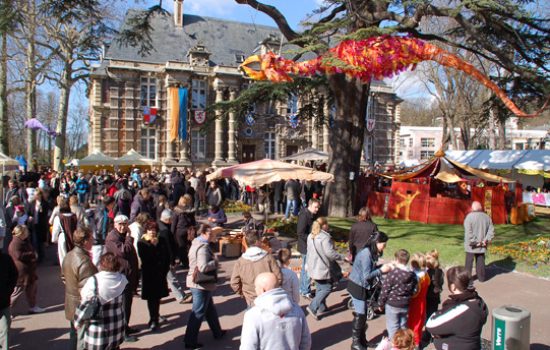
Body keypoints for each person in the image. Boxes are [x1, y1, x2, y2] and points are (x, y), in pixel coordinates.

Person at [240, 272, 311, 350]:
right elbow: (305, 341)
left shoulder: (252, 315)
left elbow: (248, 347)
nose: (255, 289)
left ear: (263, 290)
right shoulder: (296, 309)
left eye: (256, 287)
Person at [347, 231, 393, 350]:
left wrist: (381, 267)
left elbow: (369, 269)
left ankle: (362, 340)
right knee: (361, 314)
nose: (385, 246)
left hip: (362, 286)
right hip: (357, 286)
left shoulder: (370, 252)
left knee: (362, 314)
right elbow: (367, 275)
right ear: (377, 242)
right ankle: (355, 343)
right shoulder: (366, 254)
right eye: (384, 243)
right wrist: (382, 270)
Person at [426, 266, 489, 350]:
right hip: (473, 345)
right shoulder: (479, 302)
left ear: (453, 287)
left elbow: (431, 324)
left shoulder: (461, 308)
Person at [184, 224, 226, 349]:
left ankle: (217, 332)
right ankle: (190, 341)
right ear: (203, 233)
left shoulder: (196, 243)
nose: (213, 236)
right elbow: (203, 267)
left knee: (210, 310)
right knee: (198, 312)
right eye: (210, 234)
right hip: (200, 284)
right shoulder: (203, 247)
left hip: (199, 283)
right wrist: (215, 262)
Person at [75, 253, 128, 350]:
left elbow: (85, 303)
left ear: (101, 265)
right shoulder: (122, 279)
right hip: (116, 325)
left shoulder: (94, 281)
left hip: (99, 329)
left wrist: (77, 322)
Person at [104, 214, 139, 342]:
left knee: (127, 304)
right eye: (120, 224)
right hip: (120, 277)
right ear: (115, 224)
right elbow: (124, 251)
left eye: (125, 224)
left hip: (127, 275)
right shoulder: (112, 238)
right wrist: (130, 237)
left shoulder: (121, 236)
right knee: (123, 305)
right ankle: (122, 332)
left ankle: (126, 326)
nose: (123, 226)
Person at [62, 227, 98, 350]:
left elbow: (63, 277)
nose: (93, 240)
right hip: (81, 305)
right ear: (85, 241)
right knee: (82, 338)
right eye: (91, 238)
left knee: (74, 334)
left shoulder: (69, 255)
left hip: (71, 302)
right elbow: (88, 288)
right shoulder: (85, 261)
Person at [305, 217, 344, 320]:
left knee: (320, 287)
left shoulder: (311, 236)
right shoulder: (325, 237)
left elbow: (308, 251)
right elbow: (330, 253)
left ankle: (322, 307)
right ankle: (313, 307)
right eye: (327, 224)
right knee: (327, 288)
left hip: (313, 267)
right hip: (322, 267)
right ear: (324, 225)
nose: (328, 226)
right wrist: (342, 257)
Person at [230, 231, 282, 306]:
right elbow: (278, 277)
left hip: (251, 299)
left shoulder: (240, 262)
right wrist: (273, 290)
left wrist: (244, 294)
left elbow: (234, 283)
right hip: (269, 298)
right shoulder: (268, 258)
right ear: (257, 241)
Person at [137, 221, 170, 331]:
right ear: (146, 230)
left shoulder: (162, 240)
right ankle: (153, 319)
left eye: (154, 230)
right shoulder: (142, 242)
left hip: (160, 274)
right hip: (149, 275)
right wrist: (153, 246)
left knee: (157, 297)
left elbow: (166, 255)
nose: (152, 232)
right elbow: (145, 259)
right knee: (151, 298)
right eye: (150, 229)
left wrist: (166, 269)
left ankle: (156, 315)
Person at [378, 249, 417, 340]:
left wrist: (380, 303)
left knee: (393, 327)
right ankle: (404, 345)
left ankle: (395, 345)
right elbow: (414, 290)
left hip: (392, 304)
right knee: (403, 326)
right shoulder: (412, 275)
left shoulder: (393, 274)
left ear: (396, 260)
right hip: (405, 304)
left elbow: (385, 289)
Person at [8, 225, 45, 314]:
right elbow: (18, 255)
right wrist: (32, 254)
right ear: (21, 233)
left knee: (32, 290)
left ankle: (33, 307)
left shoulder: (24, 241)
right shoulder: (15, 243)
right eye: (26, 231)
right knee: (16, 292)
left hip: (29, 271)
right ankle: (7, 311)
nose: (28, 233)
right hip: (21, 272)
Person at [464, 201, 494, 283]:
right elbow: (491, 231)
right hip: (482, 244)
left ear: (473, 208)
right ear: (480, 208)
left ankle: (467, 280)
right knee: (480, 260)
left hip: (471, 245)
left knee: (469, 263)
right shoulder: (487, 217)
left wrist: (475, 241)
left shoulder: (469, 217)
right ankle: (481, 277)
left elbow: (468, 232)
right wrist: (486, 240)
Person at [297, 198, 320, 299]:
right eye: (315, 207)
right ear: (310, 205)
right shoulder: (304, 215)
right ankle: (305, 290)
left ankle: (303, 289)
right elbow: (300, 232)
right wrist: (311, 238)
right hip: (306, 246)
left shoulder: (308, 215)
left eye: (318, 207)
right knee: (307, 268)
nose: (317, 209)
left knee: (305, 268)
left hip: (306, 245)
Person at [407, 253, 431, 347]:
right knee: (419, 323)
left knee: (413, 323)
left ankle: (414, 343)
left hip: (414, 303)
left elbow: (414, 293)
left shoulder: (417, 277)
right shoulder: (425, 274)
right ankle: (416, 341)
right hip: (422, 302)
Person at [172, 194, 196, 269]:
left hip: (180, 231)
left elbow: (174, 223)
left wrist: (172, 233)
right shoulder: (191, 211)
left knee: (181, 247)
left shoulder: (177, 211)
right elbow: (193, 222)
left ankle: (185, 263)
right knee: (189, 246)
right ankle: (191, 261)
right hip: (189, 230)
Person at [51, 199, 78, 267]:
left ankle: (65, 272)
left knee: (63, 256)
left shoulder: (59, 217)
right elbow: (78, 227)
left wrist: (54, 239)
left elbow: (55, 230)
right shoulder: (74, 216)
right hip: (74, 237)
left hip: (63, 237)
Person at [0, 249, 17, 350]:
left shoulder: (6, 259)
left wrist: (8, 291)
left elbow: (14, 275)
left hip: (3, 302)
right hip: (4, 300)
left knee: (4, 329)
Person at [91, 196, 116, 267]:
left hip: (96, 238)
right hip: (99, 240)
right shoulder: (103, 213)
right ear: (110, 204)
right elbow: (101, 228)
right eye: (113, 204)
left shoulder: (99, 208)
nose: (113, 206)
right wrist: (105, 239)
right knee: (97, 261)